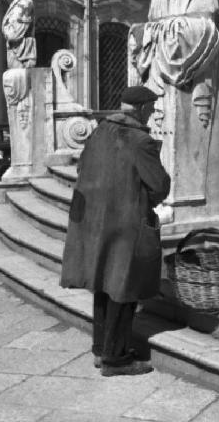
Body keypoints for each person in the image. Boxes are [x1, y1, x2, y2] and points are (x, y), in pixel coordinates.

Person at [60, 86, 171, 376]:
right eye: (152, 107)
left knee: (103, 283)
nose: (154, 112)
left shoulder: (99, 132)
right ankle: (116, 359)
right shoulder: (139, 140)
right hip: (125, 222)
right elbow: (159, 185)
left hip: (96, 221)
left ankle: (101, 350)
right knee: (124, 286)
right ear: (143, 108)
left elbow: (83, 167)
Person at [0, 0, 36, 69]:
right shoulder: (13, 6)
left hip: (22, 58)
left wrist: (5, 29)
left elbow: (13, 35)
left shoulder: (24, 3)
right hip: (16, 54)